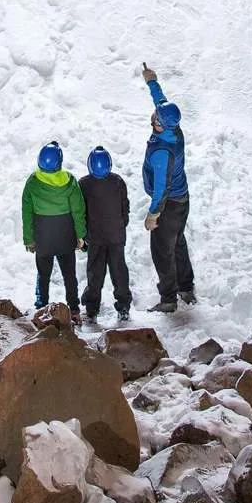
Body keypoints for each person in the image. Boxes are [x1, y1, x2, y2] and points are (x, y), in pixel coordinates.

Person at [140, 63, 194, 312]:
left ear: (160, 124)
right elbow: (161, 103)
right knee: (178, 242)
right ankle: (186, 286)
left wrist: (153, 214)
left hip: (169, 204)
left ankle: (169, 299)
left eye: (156, 117)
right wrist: (152, 82)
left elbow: (161, 189)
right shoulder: (173, 128)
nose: (152, 115)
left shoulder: (162, 152)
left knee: (162, 250)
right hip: (183, 200)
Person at [22, 140, 87, 311]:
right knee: (69, 275)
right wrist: (81, 235)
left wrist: (29, 239)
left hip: (43, 237)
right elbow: (78, 211)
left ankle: (41, 306)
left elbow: (27, 213)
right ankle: (74, 309)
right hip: (65, 237)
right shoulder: (70, 181)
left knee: (43, 275)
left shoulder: (33, 182)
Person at [80, 146, 132, 322]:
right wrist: (121, 225)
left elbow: (81, 212)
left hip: (95, 238)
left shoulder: (84, 184)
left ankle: (92, 310)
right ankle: (123, 307)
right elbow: (125, 208)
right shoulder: (118, 181)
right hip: (116, 236)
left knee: (95, 274)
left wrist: (83, 234)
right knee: (119, 272)